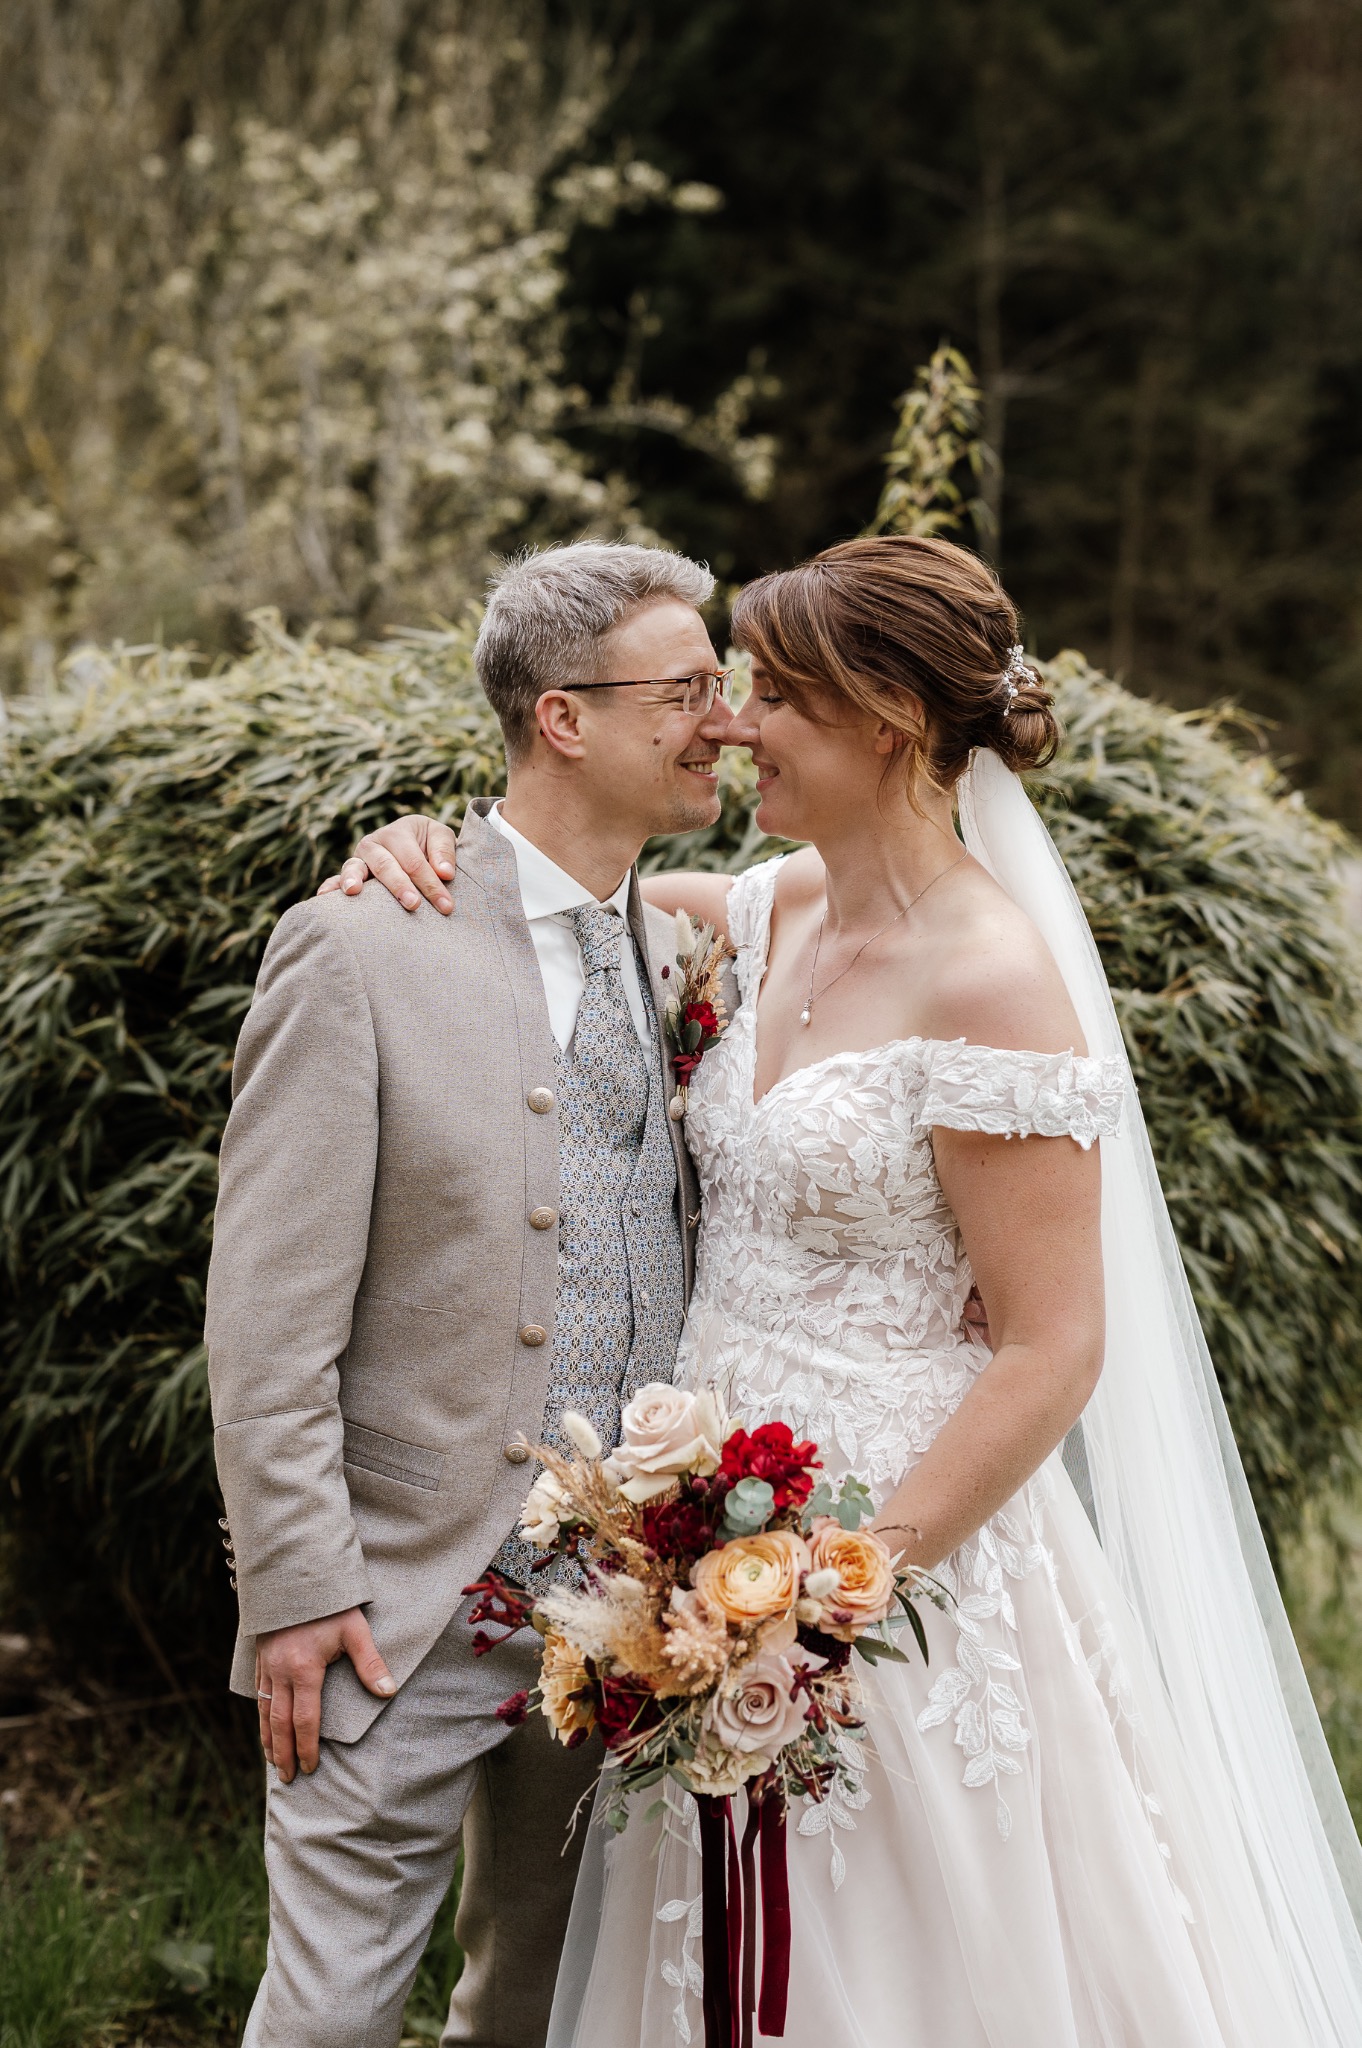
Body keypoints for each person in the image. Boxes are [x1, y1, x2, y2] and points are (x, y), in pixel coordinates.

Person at [344, 534, 1362, 2046]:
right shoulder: (770, 910)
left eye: (773, 696)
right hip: (694, 1533)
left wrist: (836, 1589)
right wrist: (420, 849)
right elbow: (555, 896)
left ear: (884, 721)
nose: (732, 723)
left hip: (892, 1556)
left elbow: (1050, 1346)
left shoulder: (990, 977)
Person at [205, 541, 739, 2048]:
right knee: (330, 2019)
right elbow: (265, 1318)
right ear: (564, 716)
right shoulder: (360, 945)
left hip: (624, 1609)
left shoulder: (688, 946)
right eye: (686, 690)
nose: (725, 719)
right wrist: (297, 1587)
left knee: (543, 2012)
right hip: (394, 1601)